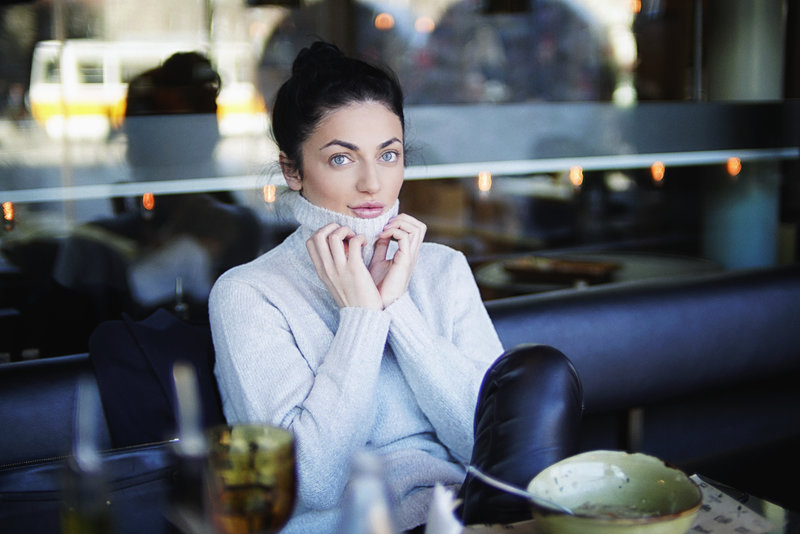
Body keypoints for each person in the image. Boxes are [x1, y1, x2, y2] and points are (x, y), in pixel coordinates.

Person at [209, 41, 583, 533]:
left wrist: (397, 306)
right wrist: (362, 318)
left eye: (388, 155)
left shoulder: (443, 269)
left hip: (461, 518)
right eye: (341, 159)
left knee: (542, 372)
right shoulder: (249, 293)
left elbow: (489, 449)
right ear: (292, 171)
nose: (372, 183)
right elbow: (308, 485)